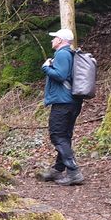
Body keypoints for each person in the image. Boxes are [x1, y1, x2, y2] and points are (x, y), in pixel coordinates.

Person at [40, 28, 84, 186]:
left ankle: (73, 172)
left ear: (61, 40)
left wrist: (46, 67)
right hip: (70, 102)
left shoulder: (63, 54)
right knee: (64, 136)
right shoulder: (69, 54)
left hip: (63, 103)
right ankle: (58, 169)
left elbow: (60, 75)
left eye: (55, 38)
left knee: (57, 135)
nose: (52, 40)